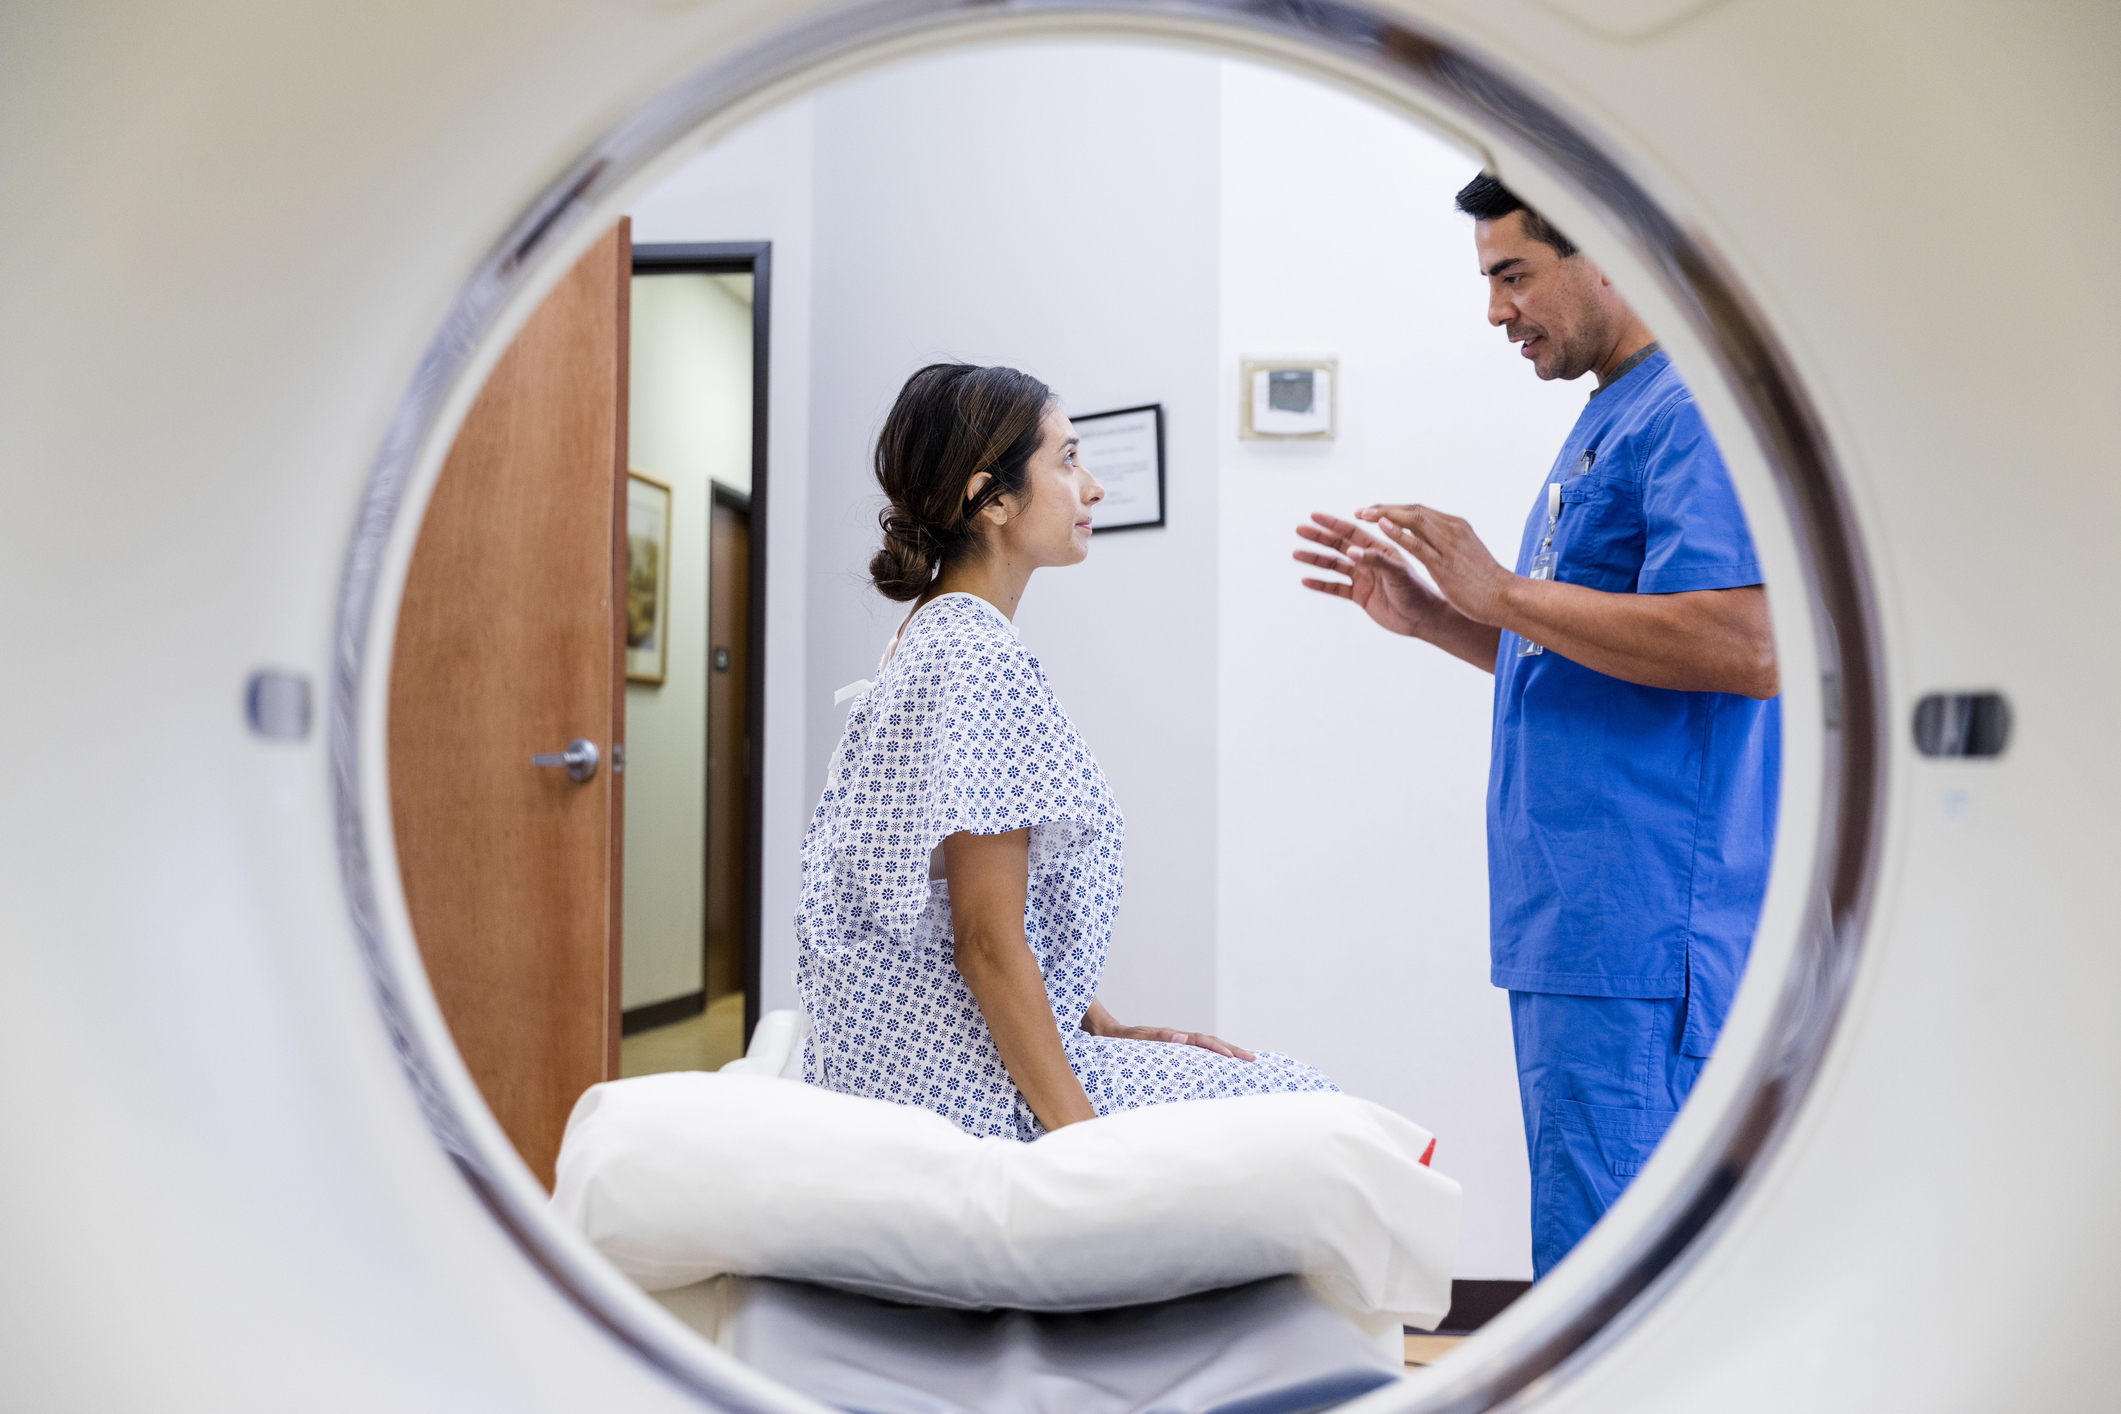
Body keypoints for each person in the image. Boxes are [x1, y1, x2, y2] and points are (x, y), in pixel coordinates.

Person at [1293, 175, 1780, 1277]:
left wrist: (1504, 593)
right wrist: (1438, 620)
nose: (1497, 311)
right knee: (1588, 1247)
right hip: (1577, 924)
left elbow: (1751, 646)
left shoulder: (1692, 411)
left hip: (1646, 926)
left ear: (1609, 250)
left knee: (1622, 1274)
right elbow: (1594, 658)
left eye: (1513, 275)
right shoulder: (1610, 416)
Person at [799, 362, 1336, 1139]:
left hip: (905, 1060)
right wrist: (1088, 1149)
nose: (1092, 488)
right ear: (994, 498)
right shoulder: (977, 656)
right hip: (953, 1077)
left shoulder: (930, 635)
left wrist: (1103, 1031)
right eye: (1068, 459)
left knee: (1254, 1079)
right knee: (1305, 1103)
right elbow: (985, 942)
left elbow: (961, 908)